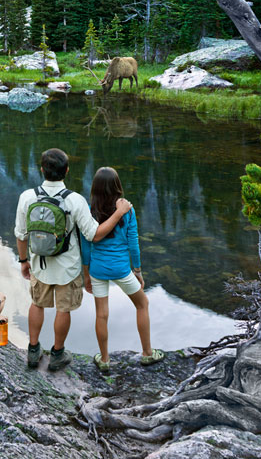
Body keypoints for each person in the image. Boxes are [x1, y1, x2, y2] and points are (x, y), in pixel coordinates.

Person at [15, 148, 131, 372]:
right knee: (63, 309)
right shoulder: (75, 200)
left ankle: (32, 350)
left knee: (37, 303)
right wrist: (118, 214)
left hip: (40, 264)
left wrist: (23, 261)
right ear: (67, 171)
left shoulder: (27, 197)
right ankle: (57, 354)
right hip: (67, 268)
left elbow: (21, 234)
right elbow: (94, 234)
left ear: (42, 170)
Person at [81, 166, 163, 370]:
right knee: (142, 304)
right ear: (117, 186)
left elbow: (85, 247)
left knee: (101, 314)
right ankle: (147, 353)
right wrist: (137, 271)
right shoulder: (127, 210)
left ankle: (105, 359)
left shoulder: (90, 211)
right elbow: (133, 243)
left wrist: (86, 275)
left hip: (98, 269)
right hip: (121, 269)